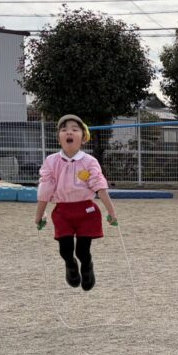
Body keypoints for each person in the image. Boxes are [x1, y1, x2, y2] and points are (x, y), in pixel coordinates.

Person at [35, 115, 118, 291]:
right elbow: (45, 189)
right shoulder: (51, 161)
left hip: (86, 211)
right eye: (64, 130)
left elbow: (100, 187)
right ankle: (70, 265)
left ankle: (87, 266)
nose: (69, 132)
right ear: (59, 138)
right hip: (62, 211)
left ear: (83, 137)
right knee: (65, 250)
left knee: (82, 251)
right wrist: (39, 214)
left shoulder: (89, 162)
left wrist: (111, 212)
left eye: (74, 129)